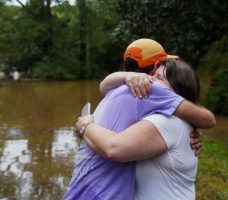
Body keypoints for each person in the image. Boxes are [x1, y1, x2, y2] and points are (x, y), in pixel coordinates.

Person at [63, 39, 215, 200]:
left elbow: (113, 148)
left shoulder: (162, 115)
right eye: (153, 75)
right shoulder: (145, 105)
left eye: (158, 77)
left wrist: (85, 125)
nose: (151, 81)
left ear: (177, 90)